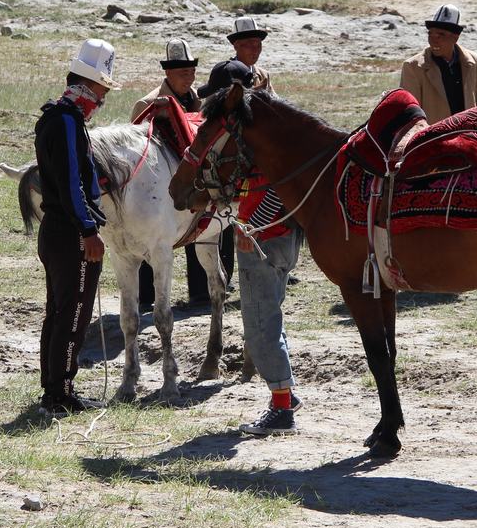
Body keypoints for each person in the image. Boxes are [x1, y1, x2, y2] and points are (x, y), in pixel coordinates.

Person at [197, 59, 305, 434]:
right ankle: (286, 393)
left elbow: (278, 187)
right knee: (269, 316)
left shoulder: (263, 136)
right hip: (278, 237)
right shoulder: (271, 127)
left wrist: (254, 227)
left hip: (264, 239)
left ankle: (280, 409)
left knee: (260, 324)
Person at [32, 38, 120, 416]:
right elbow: (70, 183)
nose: (101, 101)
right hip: (71, 234)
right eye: (101, 92)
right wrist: (88, 229)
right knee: (72, 316)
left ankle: (53, 388)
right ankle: (61, 394)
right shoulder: (67, 122)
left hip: (54, 230)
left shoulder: (54, 116)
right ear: (87, 86)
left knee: (58, 311)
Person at [130, 39, 233, 311]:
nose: (189, 78)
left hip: (191, 178)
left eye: (191, 72)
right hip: (158, 182)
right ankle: (146, 299)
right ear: (168, 73)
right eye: (182, 73)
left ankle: (200, 294)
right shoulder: (148, 104)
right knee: (151, 241)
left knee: (201, 230)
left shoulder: (199, 101)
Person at [399, 4, 477, 124]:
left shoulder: (472, 61)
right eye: (430, 34)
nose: (434, 40)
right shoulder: (413, 67)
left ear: (455, 37)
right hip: (433, 138)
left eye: (441, 35)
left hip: (468, 134)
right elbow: (409, 113)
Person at [227, 17, 276, 93]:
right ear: (236, 46)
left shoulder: (263, 75)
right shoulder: (224, 73)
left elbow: (274, 102)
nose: (255, 51)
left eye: (258, 45)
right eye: (250, 45)